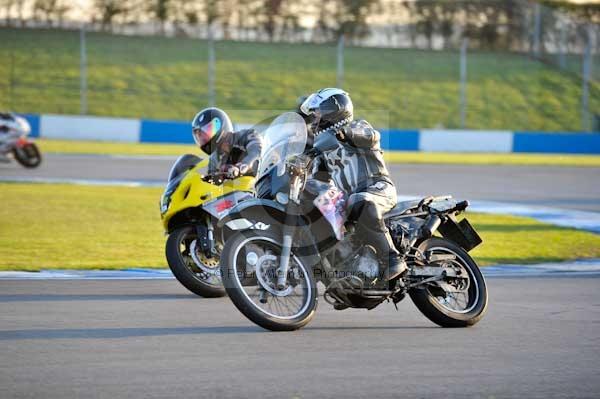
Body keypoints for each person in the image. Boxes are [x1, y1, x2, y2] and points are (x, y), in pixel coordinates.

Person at [299, 88, 406, 281]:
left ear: (334, 109)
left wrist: (342, 134)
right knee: (318, 207)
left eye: (318, 112)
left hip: (378, 188)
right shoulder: (323, 150)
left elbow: (370, 136)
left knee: (360, 199)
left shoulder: (359, 127)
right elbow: (319, 184)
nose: (314, 118)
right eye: (313, 114)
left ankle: (392, 258)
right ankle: (342, 275)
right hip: (349, 201)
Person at [191, 107, 262, 178]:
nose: (204, 137)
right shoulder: (214, 158)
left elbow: (256, 152)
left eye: (208, 130)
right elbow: (209, 177)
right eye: (200, 135)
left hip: (265, 183)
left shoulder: (246, 135)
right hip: (238, 188)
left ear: (222, 125)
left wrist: (241, 167)